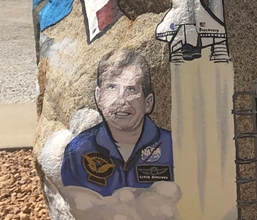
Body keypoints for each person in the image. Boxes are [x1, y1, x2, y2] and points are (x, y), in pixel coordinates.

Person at [61, 49, 173, 195]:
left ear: (148, 102)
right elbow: (73, 204)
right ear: (98, 96)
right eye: (111, 87)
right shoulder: (78, 150)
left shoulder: (174, 147)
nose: (121, 100)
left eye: (131, 89)